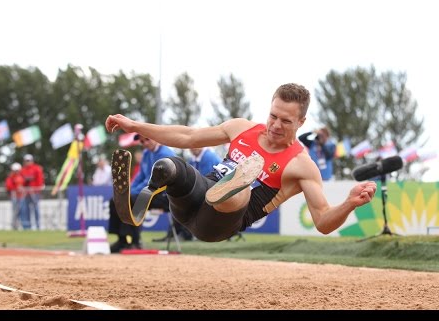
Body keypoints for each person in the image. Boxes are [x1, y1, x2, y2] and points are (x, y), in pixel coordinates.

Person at [105, 83, 377, 242]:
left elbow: (322, 222)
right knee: (168, 165)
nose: (275, 125)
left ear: (302, 123)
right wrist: (134, 125)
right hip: (193, 201)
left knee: (241, 191)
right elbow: (187, 135)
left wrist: (350, 203)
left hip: (221, 223)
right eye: (273, 116)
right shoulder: (241, 128)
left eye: (286, 121)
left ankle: (234, 185)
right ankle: (145, 197)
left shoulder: (301, 164)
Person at [108, 134, 176, 252]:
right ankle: (122, 239)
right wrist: (126, 191)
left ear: (156, 138)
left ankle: (135, 241)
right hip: (151, 191)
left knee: (132, 199)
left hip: (166, 195)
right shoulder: (146, 153)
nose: (145, 143)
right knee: (115, 200)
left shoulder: (164, 155)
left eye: (147, 139)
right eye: (142, 141)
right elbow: (141, 176)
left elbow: (152, 180)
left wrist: (130, 192)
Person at [20, 154, 45, 230]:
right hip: (26, 193)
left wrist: (38, 190)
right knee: (25, 210)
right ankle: (27, 227)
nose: (27, 162)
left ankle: (38, 226)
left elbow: (40, 180)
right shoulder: (22, 170)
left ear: (32, 161)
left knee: (36, 209)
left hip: (35, 192)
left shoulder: (37, 168)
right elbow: (21, 181)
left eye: (29, 161)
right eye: (26, 161)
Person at [5, 162, 26, 230]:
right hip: (15, 197)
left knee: (22, 212)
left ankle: (23, 226)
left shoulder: (21, 177)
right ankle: (14, 226)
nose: (16, 172)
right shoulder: (10, 177)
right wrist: (16, 188)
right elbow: (8, 186)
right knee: (15, 212)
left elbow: (24, 185)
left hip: (21, 197)